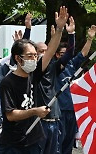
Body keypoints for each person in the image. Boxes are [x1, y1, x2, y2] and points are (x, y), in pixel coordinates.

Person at [0, 6, 68, 153]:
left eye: (35, 55)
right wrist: (35, 111)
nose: (34, 59)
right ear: (18, 58)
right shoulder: (7, 82)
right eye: (30, 56)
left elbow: (50, 52)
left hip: (34, 139)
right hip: (14, 142)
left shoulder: (34, 74)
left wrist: (60, 29)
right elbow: (10, 115)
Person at [35, 16, 76, 154]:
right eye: (41, 51)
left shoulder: (53, 68)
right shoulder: (33, 71)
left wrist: (70, 34)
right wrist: (58, 31)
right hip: (39, 123)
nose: (45, 54)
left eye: (47, 51)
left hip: (56, 120)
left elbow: (69, 54)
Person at [56, 25, 96, 154]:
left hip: (72, 112)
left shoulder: (72, 66)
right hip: (59, 112)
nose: (65, 57)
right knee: (58, 144)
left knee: (69, 144)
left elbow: (83, 54)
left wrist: (89, 39)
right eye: (62, 54)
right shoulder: (53, 69)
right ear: (57, 55)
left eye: (65, 54)